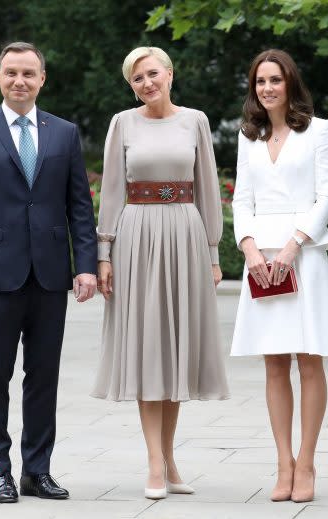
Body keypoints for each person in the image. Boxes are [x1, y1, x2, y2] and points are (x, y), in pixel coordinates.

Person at [0, 42, 98, 503]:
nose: (20, 81)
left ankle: (38, 469)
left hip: (51, 276)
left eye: (28, 73)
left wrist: (86, 266)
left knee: (43, 375)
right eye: (11, 72)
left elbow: (79, 206)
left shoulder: (64, 133)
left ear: (42, 79)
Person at [91, 46, 229, 500]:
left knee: (174, 351)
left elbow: (208, 185)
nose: (146, 83)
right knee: (149, 348)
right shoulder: (122, 123)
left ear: (170, 74)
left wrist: (212, 252)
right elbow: (112, 189)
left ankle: (169, 460)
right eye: (137, 79)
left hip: (186, 235)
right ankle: (154, 463)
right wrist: (104, 252)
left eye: (152, 74)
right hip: (138, 238)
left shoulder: (196, 121)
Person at [230, 49, 328, 504]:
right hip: (260, 261)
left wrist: (293, 245)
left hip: (303, 254)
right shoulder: (249, 135)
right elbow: (242, 199)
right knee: (274, 361)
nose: (267, 88)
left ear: (290, 83)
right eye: (260, 81)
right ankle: (282, 463)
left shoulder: (319, 130)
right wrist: (248, 249)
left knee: (309, 358)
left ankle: (307, 461)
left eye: (275, 80)